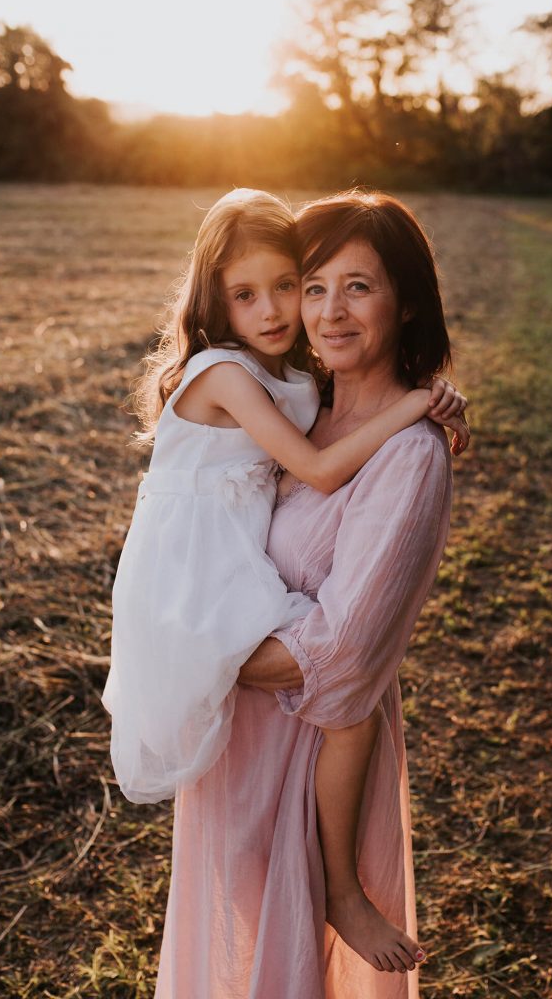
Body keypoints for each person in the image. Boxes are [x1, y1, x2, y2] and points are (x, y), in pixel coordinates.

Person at [102, 189, 469, 981]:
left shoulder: (409, 457)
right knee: (234, 962)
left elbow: (339, 653)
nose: (325, 312)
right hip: (239, 744)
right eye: (315, 287)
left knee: (287, 969)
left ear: (407, 305)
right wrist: (185, 646)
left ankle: (343, 885)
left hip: (307, 750)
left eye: (359, 287)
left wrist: (202, 656)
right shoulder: (306, 403)